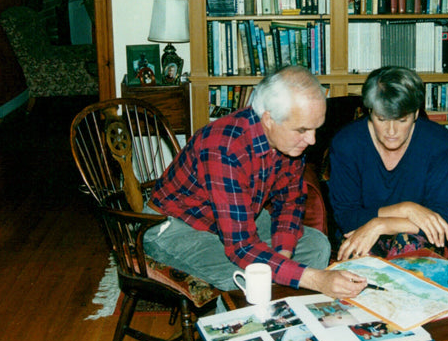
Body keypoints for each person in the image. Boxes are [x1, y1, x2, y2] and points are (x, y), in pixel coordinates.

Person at [143, 65, 368, 299]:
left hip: (237, 216)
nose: (311, 140)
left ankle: (286, 305)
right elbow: (241, 247)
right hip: (175, 227)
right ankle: (250, 327)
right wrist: (315, 279)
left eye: (315, 129)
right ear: (269, 119)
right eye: (302, 130)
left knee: (318, 245)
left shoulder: (287, 141)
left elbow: (289, 200)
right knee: (246, 274)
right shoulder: (224, 148)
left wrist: (284, 251)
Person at [328, 66, 448, 260]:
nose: (391, 131)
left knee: (408, 245)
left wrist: (379, 224)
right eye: (381, 119)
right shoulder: (347, 143)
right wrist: (407, 209)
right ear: (369, 110)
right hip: (359, 234)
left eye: (402, 120)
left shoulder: (438, 143)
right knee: (361, 258)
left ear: (415, 113)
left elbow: (439, 221)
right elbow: (347, 219)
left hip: (414, 236)